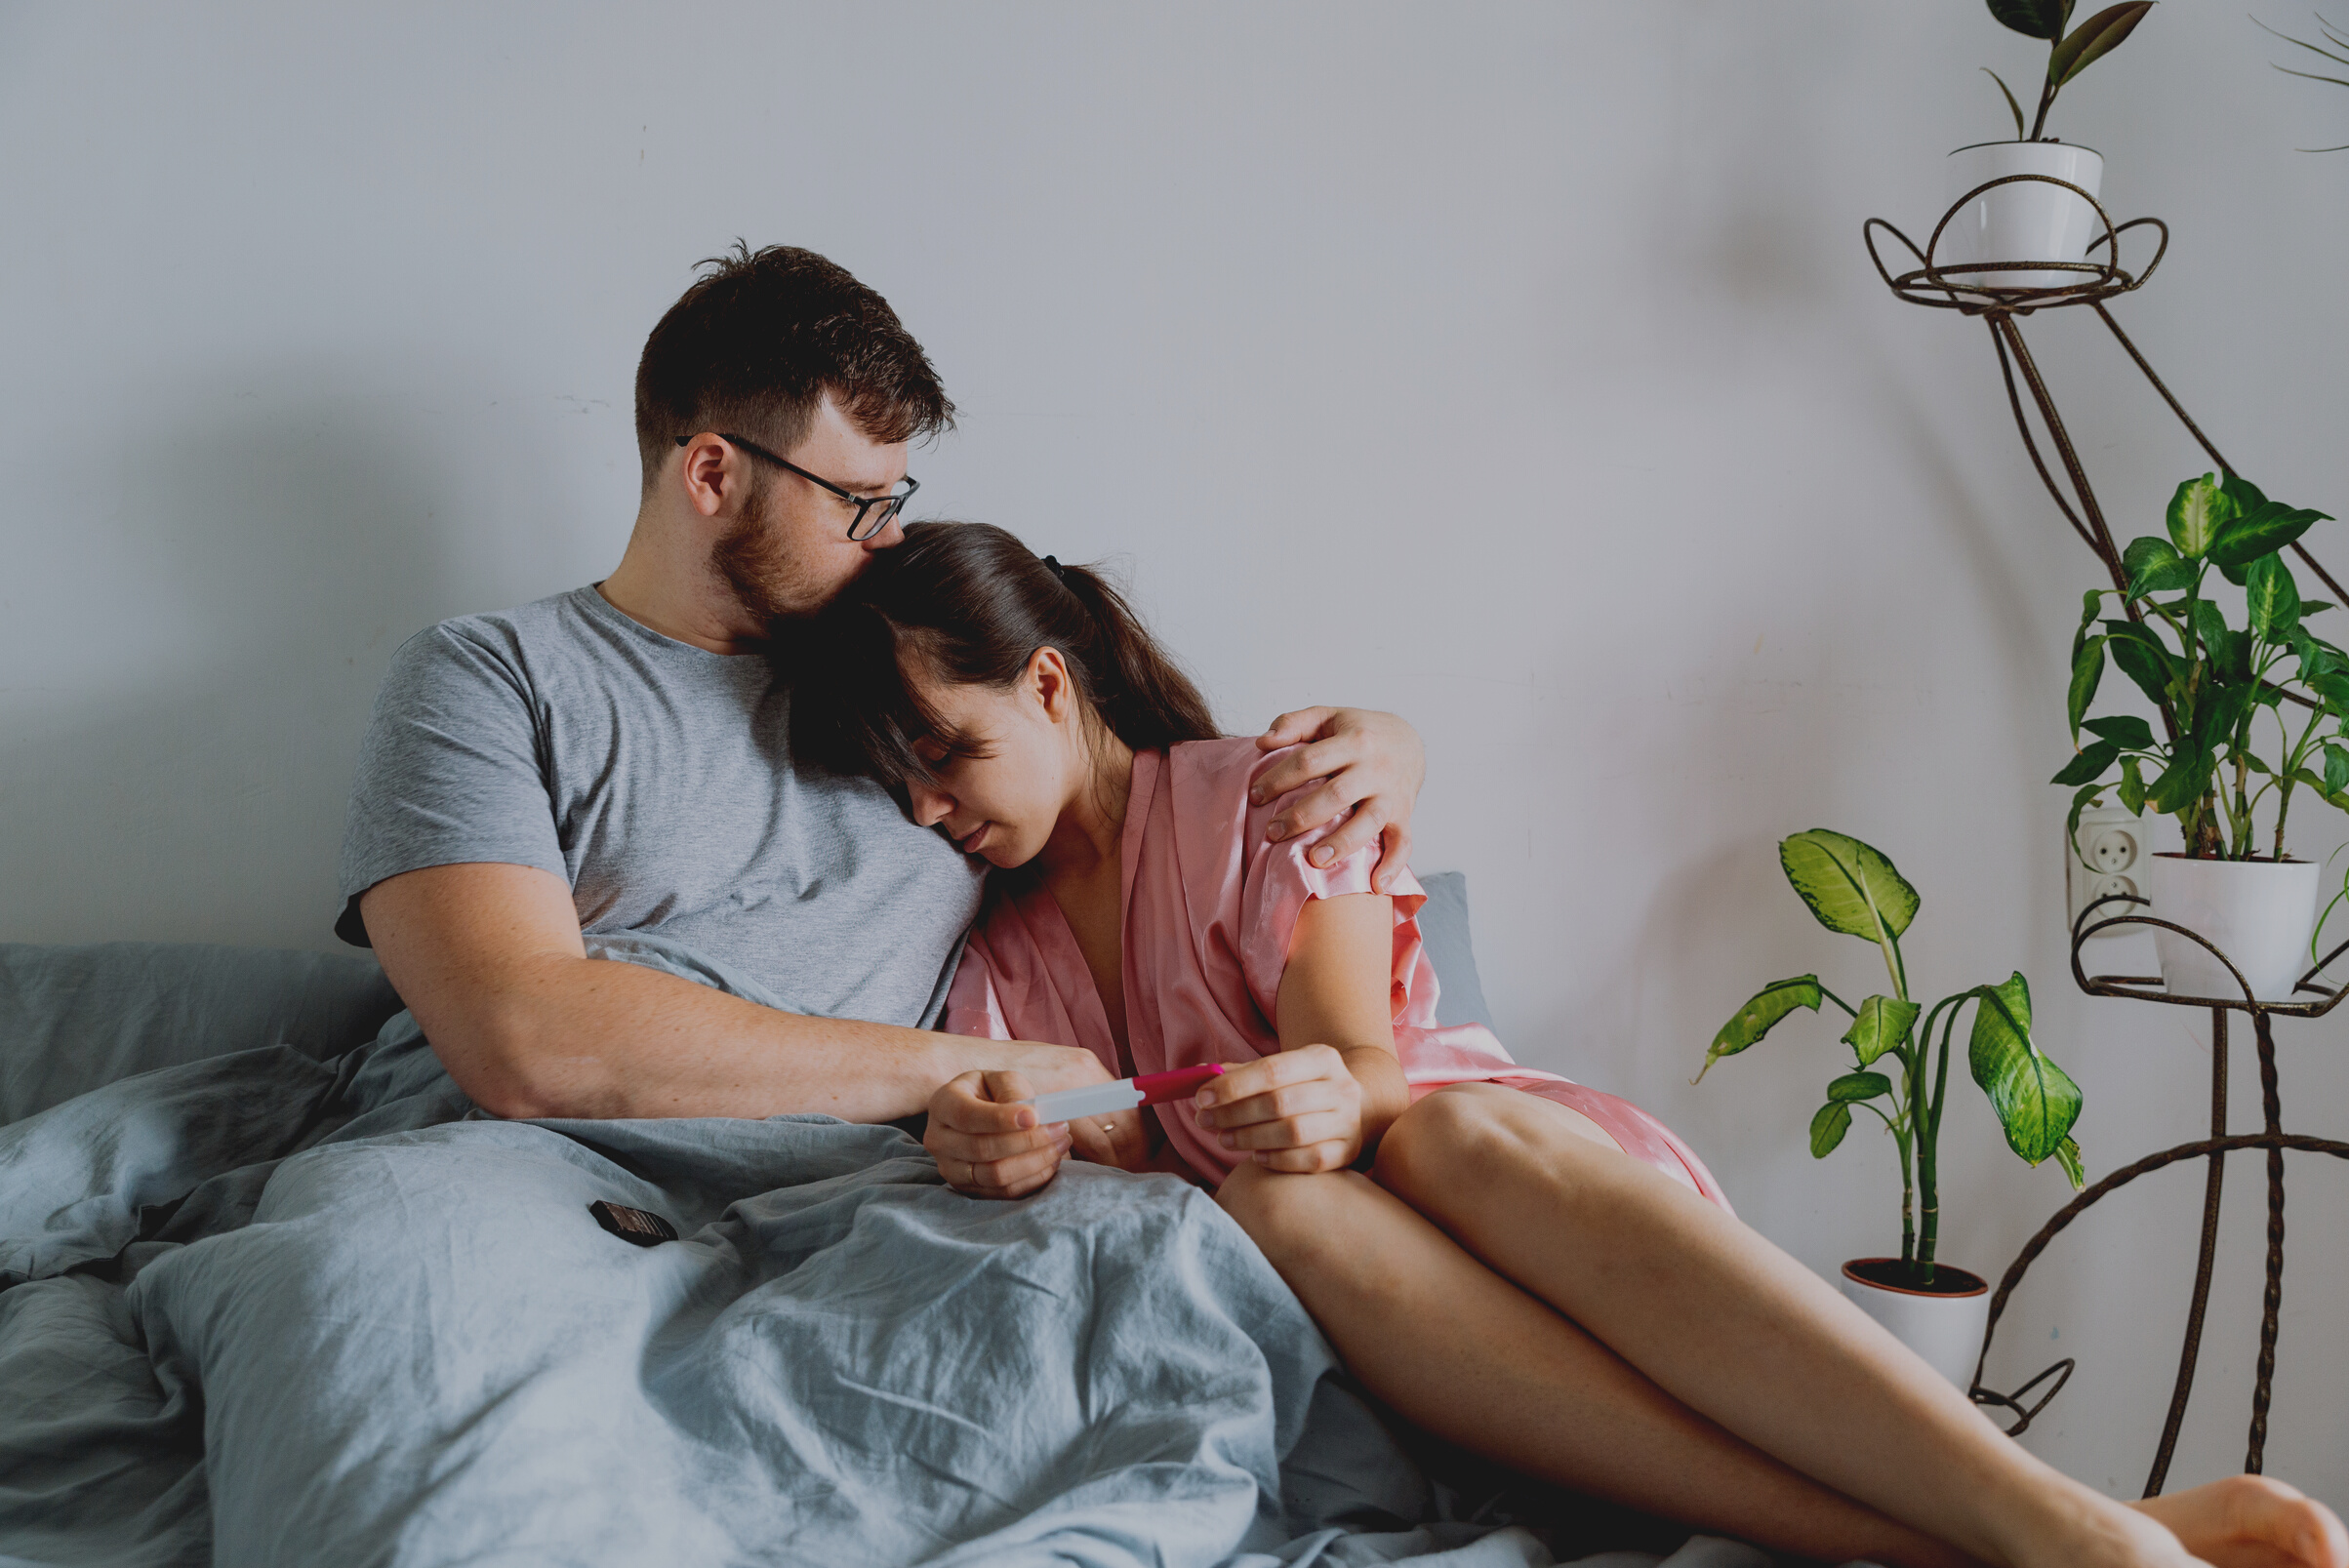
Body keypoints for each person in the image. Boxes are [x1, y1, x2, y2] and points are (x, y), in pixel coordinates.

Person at [783, 519, 2349, 1568]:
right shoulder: (991, 956)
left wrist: (1333, 1084)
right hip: (1364, 1296)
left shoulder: (1270, 791)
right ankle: (2074, 1531)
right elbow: (1091, 1153)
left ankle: (2057, 1529)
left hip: (1507, 1178)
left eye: (947, 753)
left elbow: (1372, 1063)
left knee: (1425, 1135)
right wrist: (997, 1142)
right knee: (1274, 1205)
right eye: (899, 785)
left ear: (1047, 683)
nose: (932, 807)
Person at [340, 244, 1426, 1170]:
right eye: (860, 503)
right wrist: (966, 1066)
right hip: (541, 1172)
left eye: (894, 502)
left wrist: (1385, 749)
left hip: (876, 1195)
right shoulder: (487, 677)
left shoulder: (902, 677)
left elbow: (1125, 791)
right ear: (712, 475)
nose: (891, 537)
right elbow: (521, 1038)